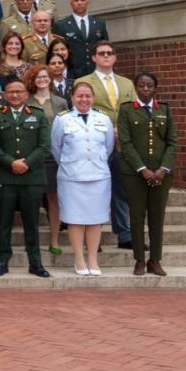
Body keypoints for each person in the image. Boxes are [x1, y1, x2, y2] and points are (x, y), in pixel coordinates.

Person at [75, 42, 137, 251]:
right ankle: (94, 237)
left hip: (122, 145)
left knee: (122, 192)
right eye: (101, 53)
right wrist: (109, 129)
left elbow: (133, 112)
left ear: (115, 57)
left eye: (110, 53)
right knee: (95, 192)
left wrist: (123, 132)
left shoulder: (127, 83)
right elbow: (82, 111)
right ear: (94, 57)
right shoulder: (84, 82)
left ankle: (125, 235)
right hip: (95, 144)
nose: (106, 56)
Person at [0, 76, 52, 278]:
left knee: (31, 223)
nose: (15, 95)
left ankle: (35, 263)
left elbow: (45, 146)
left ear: (26, 94)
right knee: (3, 222)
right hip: (4, 176)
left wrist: (26, 164)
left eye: (19, 92)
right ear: (4, 94)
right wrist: (11, 163)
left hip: (31, 177)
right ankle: (2, 261)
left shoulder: (38, 114)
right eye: (11, 92)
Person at [116, 72, 178, 276]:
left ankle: (155, 260)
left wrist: (163, 169)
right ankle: (140, 260)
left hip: (161, 174)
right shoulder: (127, 110)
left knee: (157, 217)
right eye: (141, 85)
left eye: (149, 86)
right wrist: (142, 169)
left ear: (155, 88)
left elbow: (172, 142)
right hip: (134, 173)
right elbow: (125, 143)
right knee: (136, 216)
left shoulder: (164, 110)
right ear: (135, 87)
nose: (145, 89)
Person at [51, 83, 114, 275]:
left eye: (88, 96)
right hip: (72, 177)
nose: (84, 100)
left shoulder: (103, 118)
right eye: (80, 96)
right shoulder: (62, 119)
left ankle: (93, 260)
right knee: (75, 219)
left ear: (93, 97)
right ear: (72, 97)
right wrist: (71, 164)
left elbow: (108, 146)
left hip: (98, 176)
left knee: (95, 219)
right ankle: (79, 259)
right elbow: (56, 147)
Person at [26, 66, 69, 256]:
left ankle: (54, 239)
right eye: (38, 77)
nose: (42, 79)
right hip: (31, 154)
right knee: (32, 198)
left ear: (50, 79)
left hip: (53, 154)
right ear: (32, 80)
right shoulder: (26, 99)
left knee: (53, 197)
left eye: (45, 76)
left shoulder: (61, 102)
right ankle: (32, 241)